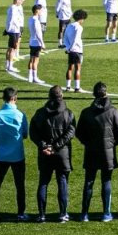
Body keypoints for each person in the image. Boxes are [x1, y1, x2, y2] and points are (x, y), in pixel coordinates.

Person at [76, 81, 118, 222]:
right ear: (106, 93)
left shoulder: (86, 112)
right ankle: (106, 213)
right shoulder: (113, 111)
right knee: (106, 181)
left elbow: (79, 133)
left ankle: (84, 213)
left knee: (89, 181)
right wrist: (111, 144)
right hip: (107, 151)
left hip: (91, 151)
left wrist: (88, 143)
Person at [30, 86, 75, 223]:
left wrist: (44, 146)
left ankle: (42, 214)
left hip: (45, 153)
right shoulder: (68, 113)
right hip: (62, 153)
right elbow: (70, 133)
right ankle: (62, 214)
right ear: (61, 96)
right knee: (62, 182)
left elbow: (33, 133)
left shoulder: (40, 113)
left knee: (43, 182)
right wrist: (55, 147)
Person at [0, 87, 29, 222]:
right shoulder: (21, 115)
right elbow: (25, 134)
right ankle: (21, 213)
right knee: (20, 185)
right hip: (17, 155)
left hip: (1, 155)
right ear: (15, 98)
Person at [63, 9, 87, 93]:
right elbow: (76, 39)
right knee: (77, 69)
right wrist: (71, 48)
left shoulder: (69, 26)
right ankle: (77, 87)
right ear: (81, 18)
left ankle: (68, 87)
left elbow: (65, 38)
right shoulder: (79, 27)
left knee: (70, 68)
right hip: (77, 50)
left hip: (70, 50)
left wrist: (68, 48)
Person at [4, 0, 25, 73]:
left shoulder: (12, 7)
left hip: (13, 30)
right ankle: (10, 66)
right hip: (14, 30)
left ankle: (8, 64)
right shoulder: (14, 8)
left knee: (10, 48)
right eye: (21, 0)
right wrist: (8, 29)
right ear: (17, 0)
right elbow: (12, 19)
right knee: (12, 49)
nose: (21, 2)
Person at [26, 2, 47, 85]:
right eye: (40, 10)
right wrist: (42, 44)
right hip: (36, 43)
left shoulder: (30, 19)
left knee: (31, 60)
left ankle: (29, 77)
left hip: (31, 41)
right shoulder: (36, 21)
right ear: (37, 11)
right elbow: (38, 34)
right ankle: (35, 77)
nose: (41, 12)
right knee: (35, 61)